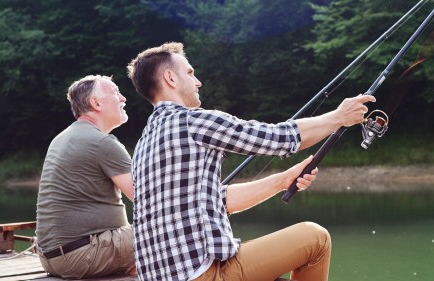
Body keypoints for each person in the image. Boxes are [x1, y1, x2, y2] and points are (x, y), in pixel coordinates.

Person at [127, 42, 375, 281]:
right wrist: (339, 117)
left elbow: (217, 199)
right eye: (190, 73)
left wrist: (282, 180)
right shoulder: (193, 122)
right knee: (316, 238)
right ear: (170, 78)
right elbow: (280, 138)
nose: (197, 81)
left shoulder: (144, 145)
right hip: (202, 275)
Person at [35, 75, 136, 279]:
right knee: (171, 226)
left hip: (51, 258)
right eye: (116, 93)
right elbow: (148, 200)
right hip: (81, 256)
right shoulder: (102, 143)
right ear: (96, 103)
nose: (123, 98)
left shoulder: (62, 138)